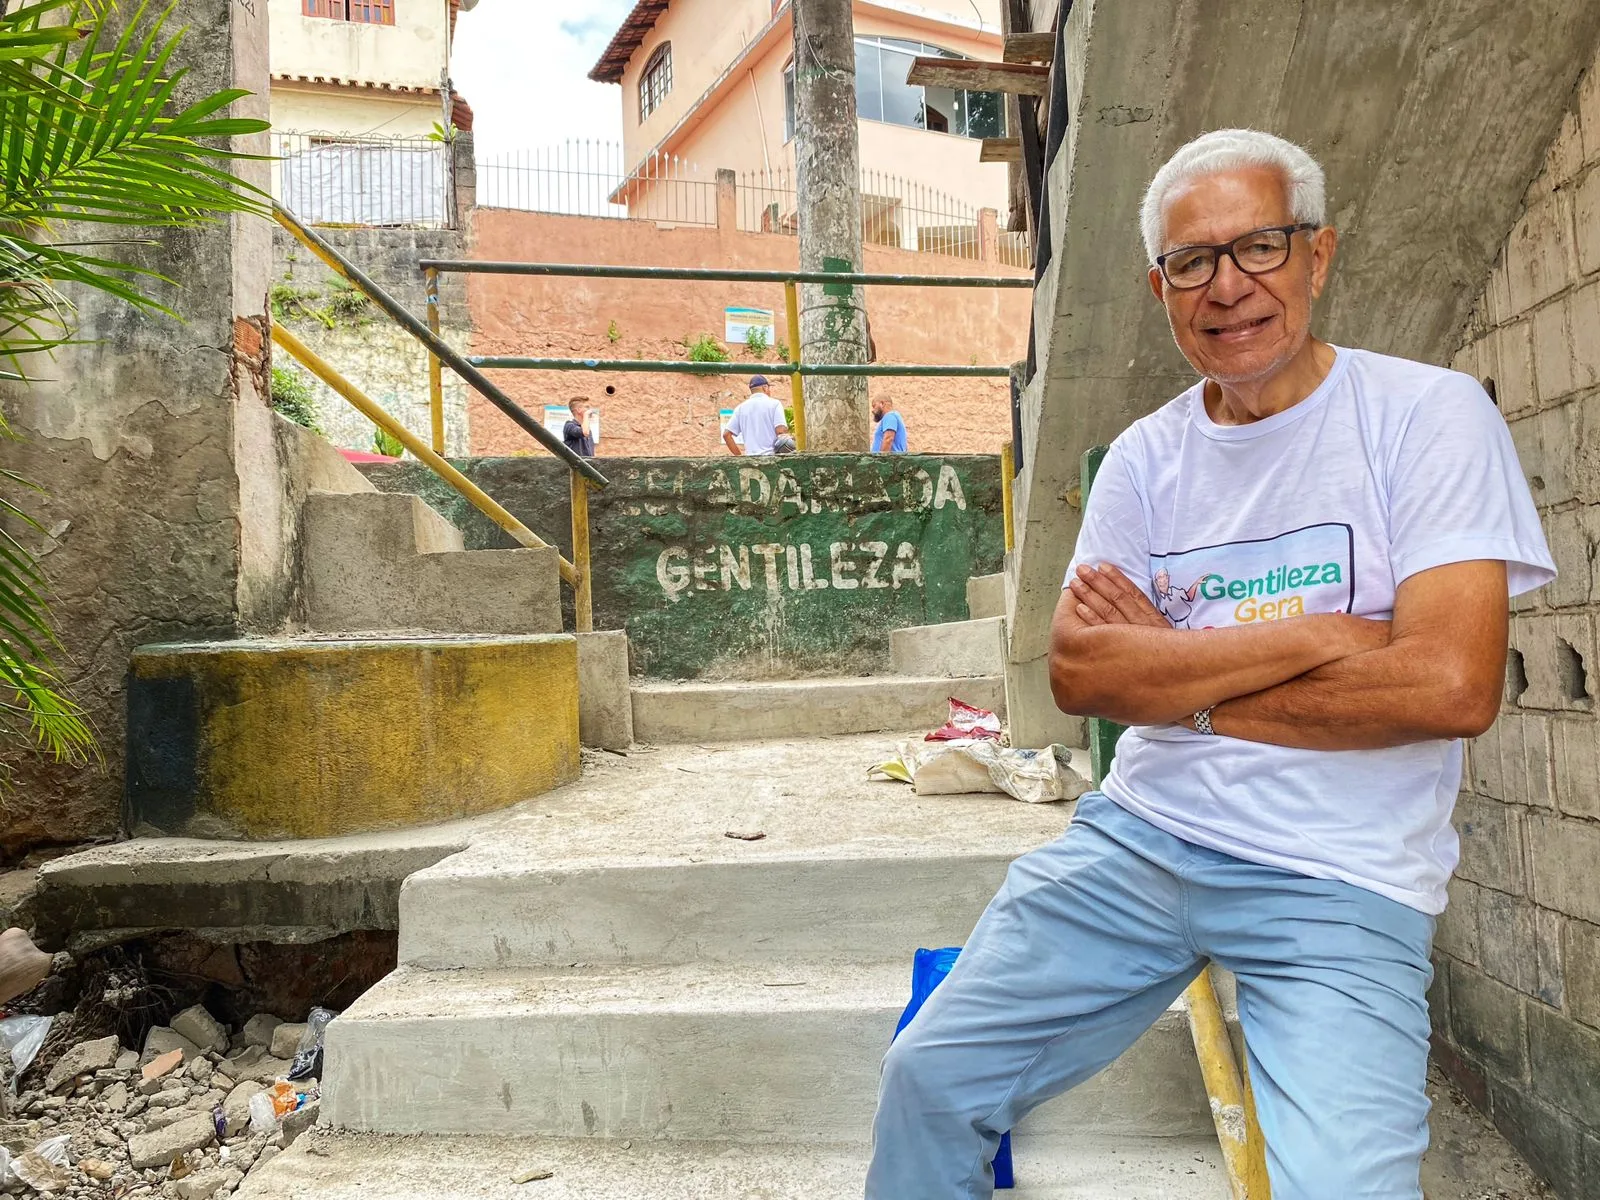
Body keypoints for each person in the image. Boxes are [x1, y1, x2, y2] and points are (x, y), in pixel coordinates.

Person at [867, 129, 1554, 1199]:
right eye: (1192, 262)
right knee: (928, 1078)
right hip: (1138, 842)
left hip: (1338, 874)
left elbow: (1448, 688)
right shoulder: (1146, 456)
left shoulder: (1427, 415)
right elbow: (1085, 681)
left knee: (1345, 1192)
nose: (1227, 286)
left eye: (1260, 248)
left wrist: (1179, 674)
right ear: (1160, 287)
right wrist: (1329, 637)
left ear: (1316, 258)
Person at [723, 375, 789, 456]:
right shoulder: (775, 404)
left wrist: (739, 457)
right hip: (771, 458)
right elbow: (781, 431)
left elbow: (726, 435)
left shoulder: (740, 408)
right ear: (765, 388)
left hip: (751, 461)